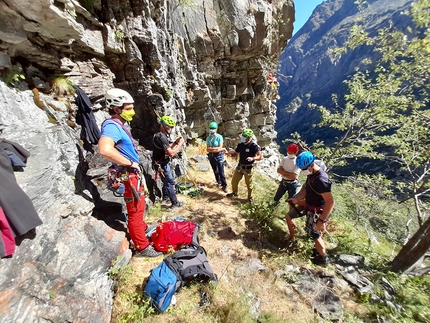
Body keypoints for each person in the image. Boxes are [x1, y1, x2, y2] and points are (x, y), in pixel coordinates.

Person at [98, 88, 162, 258]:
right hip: (128, 174)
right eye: (128, 108)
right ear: (116, 108)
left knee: (139, 206)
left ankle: (142, 229)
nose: (132, 111)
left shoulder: (119, 125)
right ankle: (142, 246)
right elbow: (104, 149)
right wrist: (129, 163)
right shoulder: (112, 126)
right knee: (134, 210)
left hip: (132, 173)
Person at [286, 151, 334, 265]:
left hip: (319, 211)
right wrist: (297, 199)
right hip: (310, 206)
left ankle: (324, 258)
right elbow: (306, 188)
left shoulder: (321, 180)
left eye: (304, 169)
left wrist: (322, 220)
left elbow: (330, 202)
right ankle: (317, 250)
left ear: (312, 165)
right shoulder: (311, 174)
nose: (303, 171)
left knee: (315, 233)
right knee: (312, 232)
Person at [152, 115, 185, 208]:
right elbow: (171, 153)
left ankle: (166, 197)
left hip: (160, 162)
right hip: (162, 163)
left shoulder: (159, 135)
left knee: (165, 181)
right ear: (165, 126)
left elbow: (166, 147)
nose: (171, 129)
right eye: (170, 127)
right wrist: (180, 145)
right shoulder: (161, 137)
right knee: (169, 182)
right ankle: (174, 203)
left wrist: (175, 143)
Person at [225, 128, 263, 202]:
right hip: (240, 166)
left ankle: (249, 197)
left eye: (245, 136)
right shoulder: (240, 145)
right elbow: (236, 154)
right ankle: (234, 193)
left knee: (249, 184)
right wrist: (229, 154)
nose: (243, 137)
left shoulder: (254, 146)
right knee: (234, 181)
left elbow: (260, 157)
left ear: (249, 138)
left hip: (248, 168)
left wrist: (253, 158)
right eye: (243, 135)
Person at [206, 122, 227, 193]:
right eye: (210, 128)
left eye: (213, 128)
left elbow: (220, 148)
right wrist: (215, 149)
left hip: (219, 156)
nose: (211, 130)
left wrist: (213, 149)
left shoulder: (219, 137)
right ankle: (219, 182)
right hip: (211, 156)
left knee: (221, 171)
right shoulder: (208, 138)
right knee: (215, 170)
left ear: (216, 129)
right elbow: (207, 149)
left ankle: (224, 185)